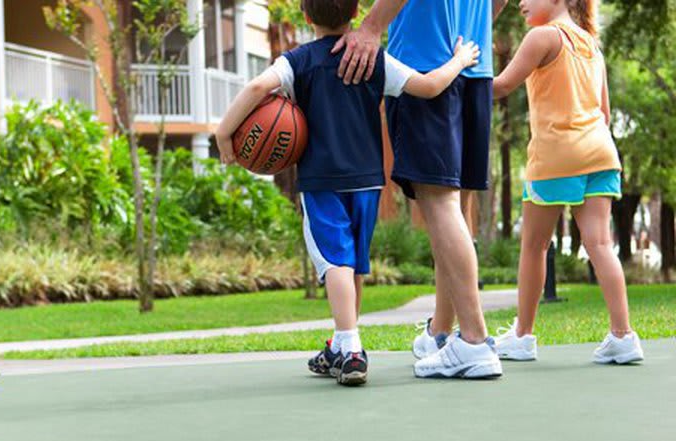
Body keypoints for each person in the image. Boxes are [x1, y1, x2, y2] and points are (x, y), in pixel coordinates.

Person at [215, 0, 497, 384]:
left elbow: (256, 86)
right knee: (356, 266)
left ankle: (350, 345)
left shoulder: (300, 60)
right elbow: (429, 87)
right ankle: (346, 342)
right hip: (369, 182)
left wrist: (223, 132)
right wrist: (462, 59)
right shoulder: (376, 61)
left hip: (322, 183)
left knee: (336, 264)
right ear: (354, 11)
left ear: (305, 14)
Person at [333, 1, 509, 377]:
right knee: (453, 210)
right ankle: (441, 333)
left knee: (441, 206)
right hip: (471, 66)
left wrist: (371, 26)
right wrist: (474, 26)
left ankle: (474, 340)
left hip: (427, 62)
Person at [491, 0, 644, 364]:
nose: (521, 3)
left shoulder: (541, 37)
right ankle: (623, 336)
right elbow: (604, 113)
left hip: (557, 155)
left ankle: (523, 336)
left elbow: (499, 87)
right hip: (601, 153)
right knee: (601, 244)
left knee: (534, 246)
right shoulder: (593, 46)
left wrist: (457, 67)